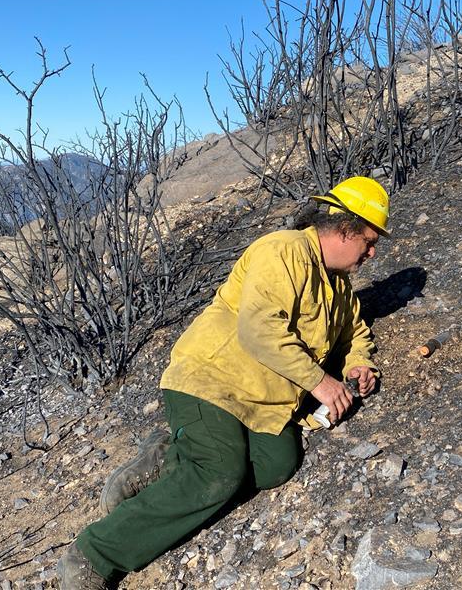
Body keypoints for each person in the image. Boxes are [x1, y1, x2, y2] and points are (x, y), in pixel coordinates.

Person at [57, 176, 390, 589]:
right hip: (210, 380)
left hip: (263, 403)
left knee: (275, 465)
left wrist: (359, 365)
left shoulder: (339, 288)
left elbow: (354, 334)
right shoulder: (283, 250)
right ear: (344, 230)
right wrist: (320, 382)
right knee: (219, 473)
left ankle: (167, 457)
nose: (372, 253)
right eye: (369, 241)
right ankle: (93, 556)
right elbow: (259, 330)